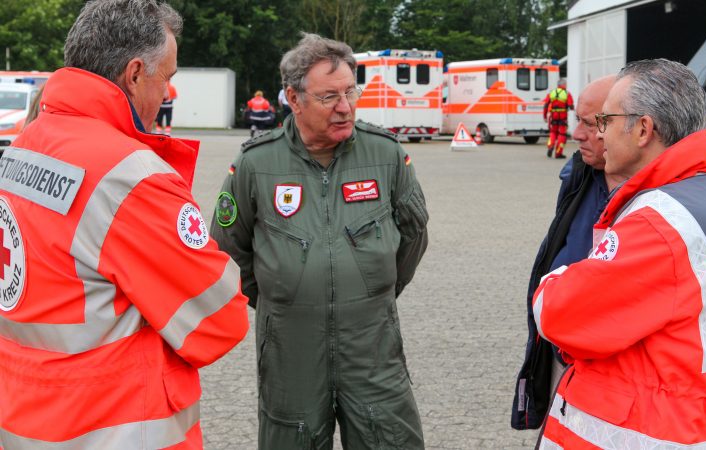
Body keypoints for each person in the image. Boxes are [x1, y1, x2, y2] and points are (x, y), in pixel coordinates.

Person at [0, 0, 249, 447]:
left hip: (28, 421)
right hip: (112, 426)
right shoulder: (127, 176)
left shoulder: (26, 144)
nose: (170, 94)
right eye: (167, 77)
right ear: (134, 73)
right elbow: (218, 319)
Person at [210, 33, 429, 449]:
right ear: (294, 99)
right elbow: (227, 248)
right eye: (329, 97)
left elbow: (413, 236)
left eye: (351, 92)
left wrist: (373, 290)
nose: (345, 107)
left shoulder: (386, 155)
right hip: (290, 350)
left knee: (389, 438)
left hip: (373, 346)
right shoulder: (256, 163)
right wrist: (284, 297)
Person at [532, 59, 706, 448]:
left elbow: (558, 312)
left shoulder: (658, 222)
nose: (597, 135)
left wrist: (556, 278)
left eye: (605, 122)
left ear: (642, 129)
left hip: (641, 430)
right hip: (693, 417)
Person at [511, 75, 625, 431]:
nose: (577, 135)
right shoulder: (580, 176)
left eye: (590, 124)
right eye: (578, 121)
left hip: (614, 379)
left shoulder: (661, 202)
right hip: (564, 357)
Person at [543, 78, 574, 159]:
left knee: (553, 132)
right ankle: (558, 153)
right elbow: (571, 106)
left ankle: (550, 146)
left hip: (553, 116)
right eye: (566, 84)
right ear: (563, 85)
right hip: (563, 117)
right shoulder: (567, 93)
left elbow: (546, 105)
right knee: (562, 135)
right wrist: (571, 107)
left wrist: (544, 116)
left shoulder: (551, 93)